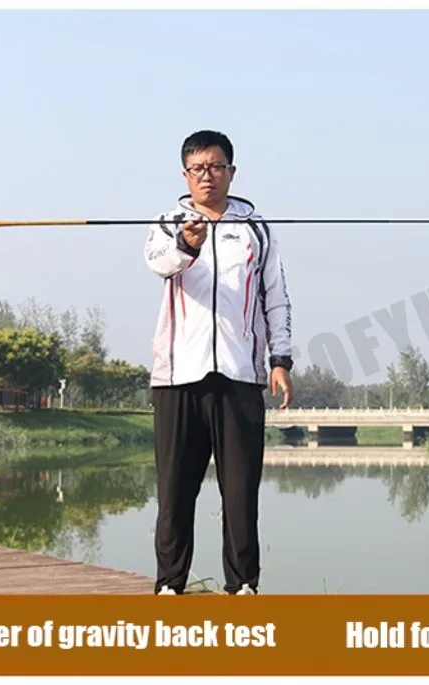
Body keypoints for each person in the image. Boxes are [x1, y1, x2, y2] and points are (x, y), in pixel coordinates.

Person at [143, 129, 294, 596]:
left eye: (215, 167)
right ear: (184, 175)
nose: (206, 176)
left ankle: (243, 586)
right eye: (197, 169)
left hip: (240, 376)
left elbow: (276, 297)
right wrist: (186, 244)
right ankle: (170, 585)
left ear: (231, 171)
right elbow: (158, 263)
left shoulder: (256, 228)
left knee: (241, 492)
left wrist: (280, 359)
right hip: (178, 377)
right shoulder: (168, 222)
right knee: (174, 492)